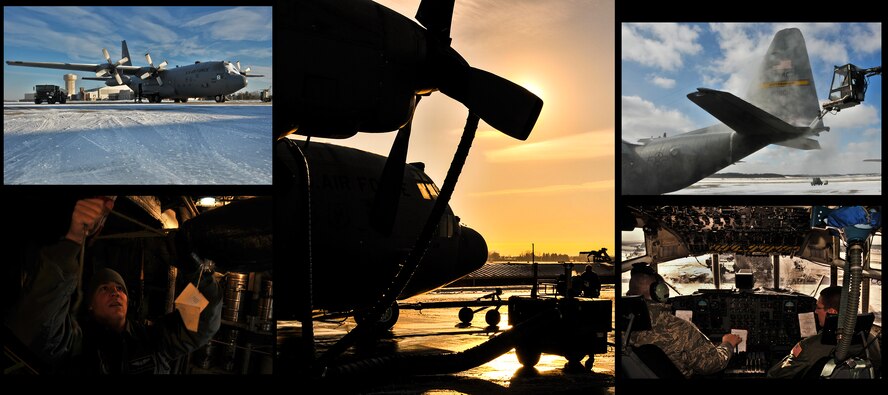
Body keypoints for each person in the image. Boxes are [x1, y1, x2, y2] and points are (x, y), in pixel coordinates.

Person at [5, 197, 223, 374]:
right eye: (104, 289)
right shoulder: (75, 344)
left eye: (120, 289)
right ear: (90, 305)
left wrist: (195, 273)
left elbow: (200, 325)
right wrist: (72, 239)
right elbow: (37, 321)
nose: (115, 293)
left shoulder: (153, 339)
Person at [626, 264, 742, 378]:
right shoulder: (679, 328)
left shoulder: (624, 325)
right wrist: (728, 344)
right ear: (661, 292)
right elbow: (712, 364)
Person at [767, 286, 881, 378]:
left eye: (818, 308)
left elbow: (777, 374)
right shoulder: (870, 340)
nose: (815, 312)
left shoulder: (810, 346)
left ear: (831, 312)